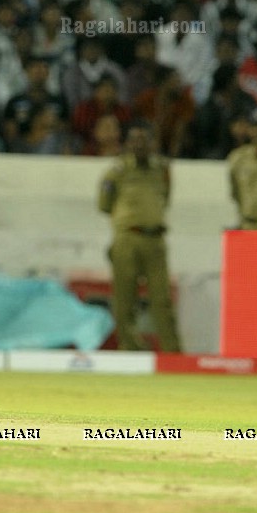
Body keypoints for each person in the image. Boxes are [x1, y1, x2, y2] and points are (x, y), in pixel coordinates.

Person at [97, 120, 180, 353]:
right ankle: (130, 348)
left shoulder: (161, 170)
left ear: (153, 143)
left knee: (161, 300)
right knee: (125, 298)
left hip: (155, 239)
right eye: (135, 140)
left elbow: (165, 198)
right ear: (127, 144)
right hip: (127, 239)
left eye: (145, 140)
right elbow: (104, 204)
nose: (140, 145)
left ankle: (172, 352)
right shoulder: (118, 171)